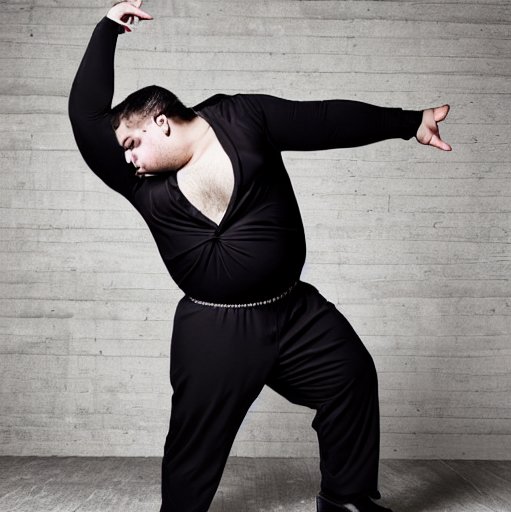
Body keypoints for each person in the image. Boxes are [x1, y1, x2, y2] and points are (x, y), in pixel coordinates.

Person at [68, 2, 452, 511]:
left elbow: (324, 120)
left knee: (351, 377)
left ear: (161, 122)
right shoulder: (138, 181)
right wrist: (107, 30)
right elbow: (84, 115)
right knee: (194, 446)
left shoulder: (243, 117)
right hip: (215, 329)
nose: (128, 158)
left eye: (132, 144)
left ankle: (345, 500)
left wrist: (410, 123)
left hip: (293, 312)